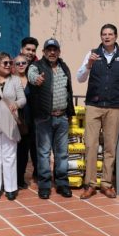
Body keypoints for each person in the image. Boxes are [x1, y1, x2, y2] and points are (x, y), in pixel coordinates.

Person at [77, 24, 119, 199]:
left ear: (116, 36)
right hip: (94, 106)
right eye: (104, 34)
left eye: (110, 34)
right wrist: (89, 64)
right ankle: (90, 184)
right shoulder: (92, 54)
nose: (107, 37)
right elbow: (80, 78)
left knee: (110, 147)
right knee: (90, 145)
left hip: (115, 107)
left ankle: (107, 183)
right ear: (100, 36)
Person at [29, 38, 75, 199]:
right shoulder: (36, 66)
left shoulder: (63, 66)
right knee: (43, 153)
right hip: (44, 118)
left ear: (59, 52)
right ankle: (45, 185)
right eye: (49, 50)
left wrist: (70, 113)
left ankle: (62, 183)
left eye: (55, 49)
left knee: (62, 153)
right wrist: (36, 79)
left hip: (62, 117)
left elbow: (69, 90)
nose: (52, 52)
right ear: (44, 52)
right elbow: (31, 75)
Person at [0, 52, 26, 200]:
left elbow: (22, 99)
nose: (9, 65)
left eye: (10, 63)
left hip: (9, 123)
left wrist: (16, 104)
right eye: (5, 63)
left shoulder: (15, 80)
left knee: (9, 156)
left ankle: (10, 188)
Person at [14, 54, 37, 188]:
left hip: (31, 120)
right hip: (15, 120)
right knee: (16, 152)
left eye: (24, 63)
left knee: (28, 151)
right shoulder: (10, 80)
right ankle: (16, 178)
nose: (21, 65)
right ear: (14, 66)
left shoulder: (32, 80)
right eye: (18, 63)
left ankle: (24, 178)